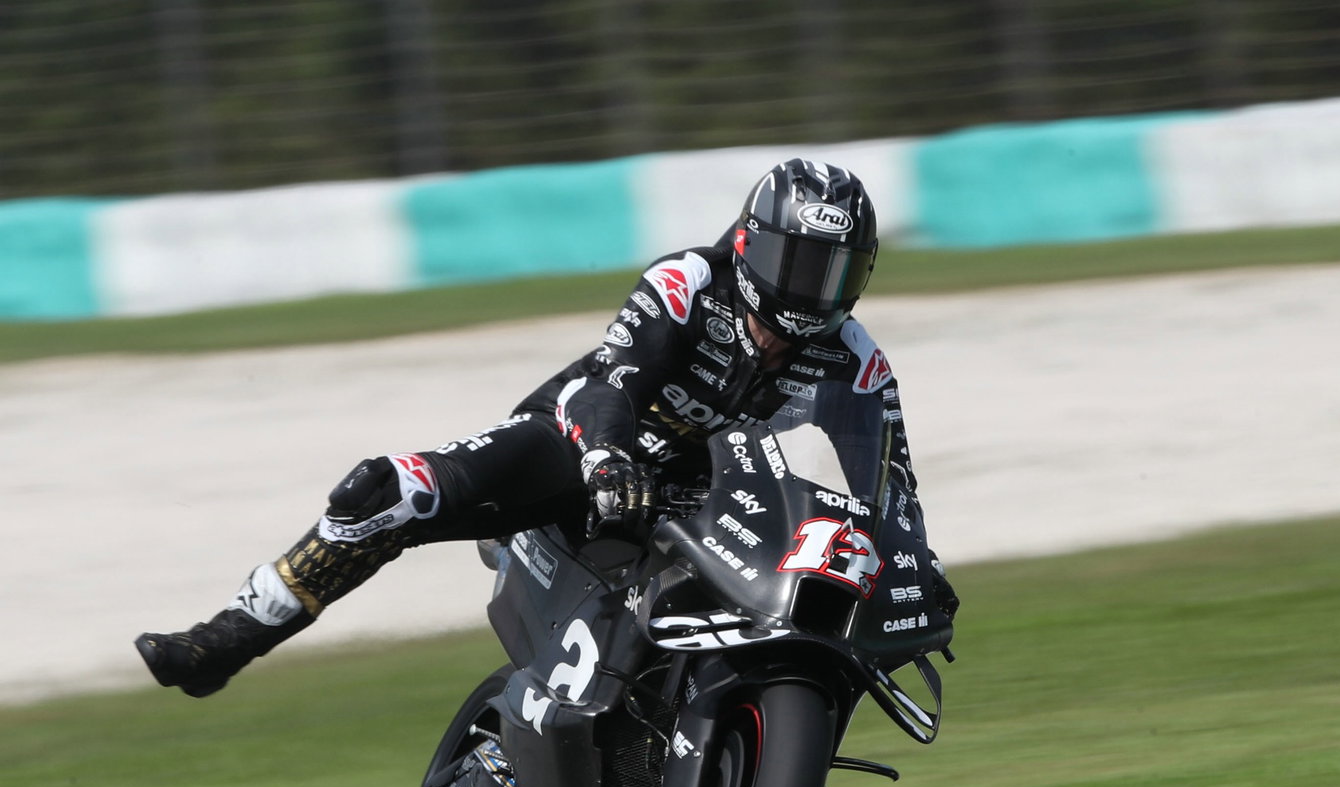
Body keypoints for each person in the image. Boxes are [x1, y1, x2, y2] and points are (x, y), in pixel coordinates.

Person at [136, 158, 959, 698]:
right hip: (587, 452)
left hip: (720, 505)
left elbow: (891, 491)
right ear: (750, 244)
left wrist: (917, 571)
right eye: (797, 266)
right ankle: (231, 639)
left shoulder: (856, 362)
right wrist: (606, 458)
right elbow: (610, 384)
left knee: (833, 615)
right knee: (384, 493)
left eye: (836, 274)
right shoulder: (689, 284)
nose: (811, 293)